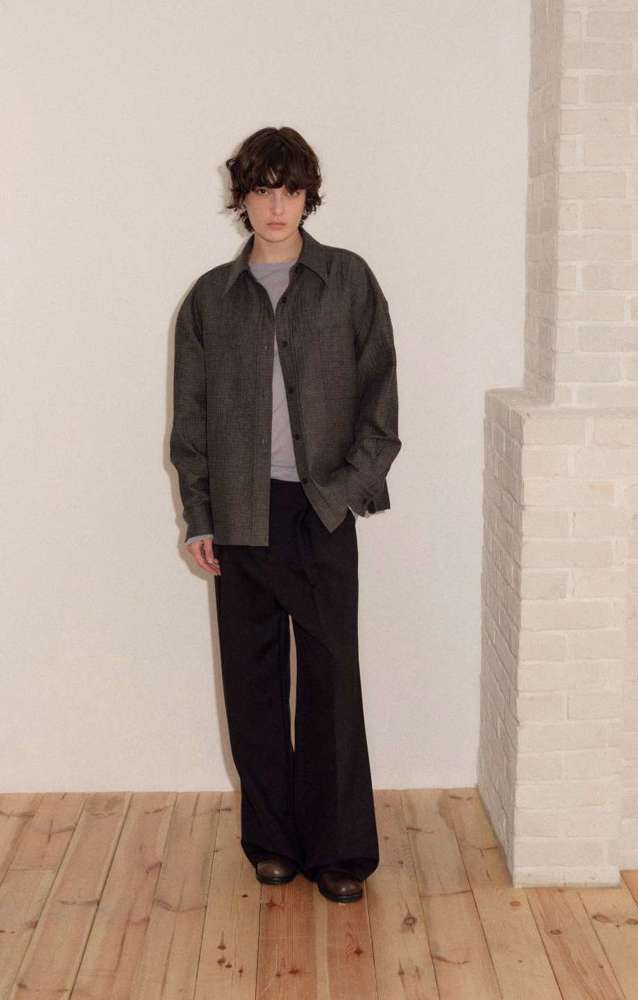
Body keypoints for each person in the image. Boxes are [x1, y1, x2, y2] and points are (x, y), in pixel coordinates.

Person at [169, 125, 401, 903]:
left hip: (322, 509)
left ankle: (339, 850)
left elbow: (381, 404)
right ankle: (271, 840)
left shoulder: (348, 280)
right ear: (242, 198)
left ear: (309, 196)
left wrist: (341, 494)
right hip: (240, 512)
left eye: (290, 190)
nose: (277, 205)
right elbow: (191, 421)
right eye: (263, 190)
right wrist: (199, 516)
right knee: (254, 681)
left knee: (331, 680)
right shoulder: (210, 299)